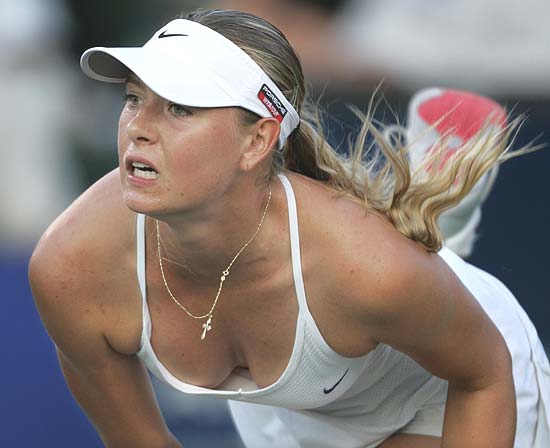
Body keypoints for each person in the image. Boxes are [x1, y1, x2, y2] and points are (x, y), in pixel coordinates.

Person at [28, 8, 549, 448]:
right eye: (133, 98)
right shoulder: (70, 268)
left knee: (387, 276)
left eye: (180, 108)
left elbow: (483, 377)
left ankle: (443, 226)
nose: (138, 128)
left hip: (450, 395)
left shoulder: (365, 266)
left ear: (257, 142)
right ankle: (438, 201)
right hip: (296, 416)